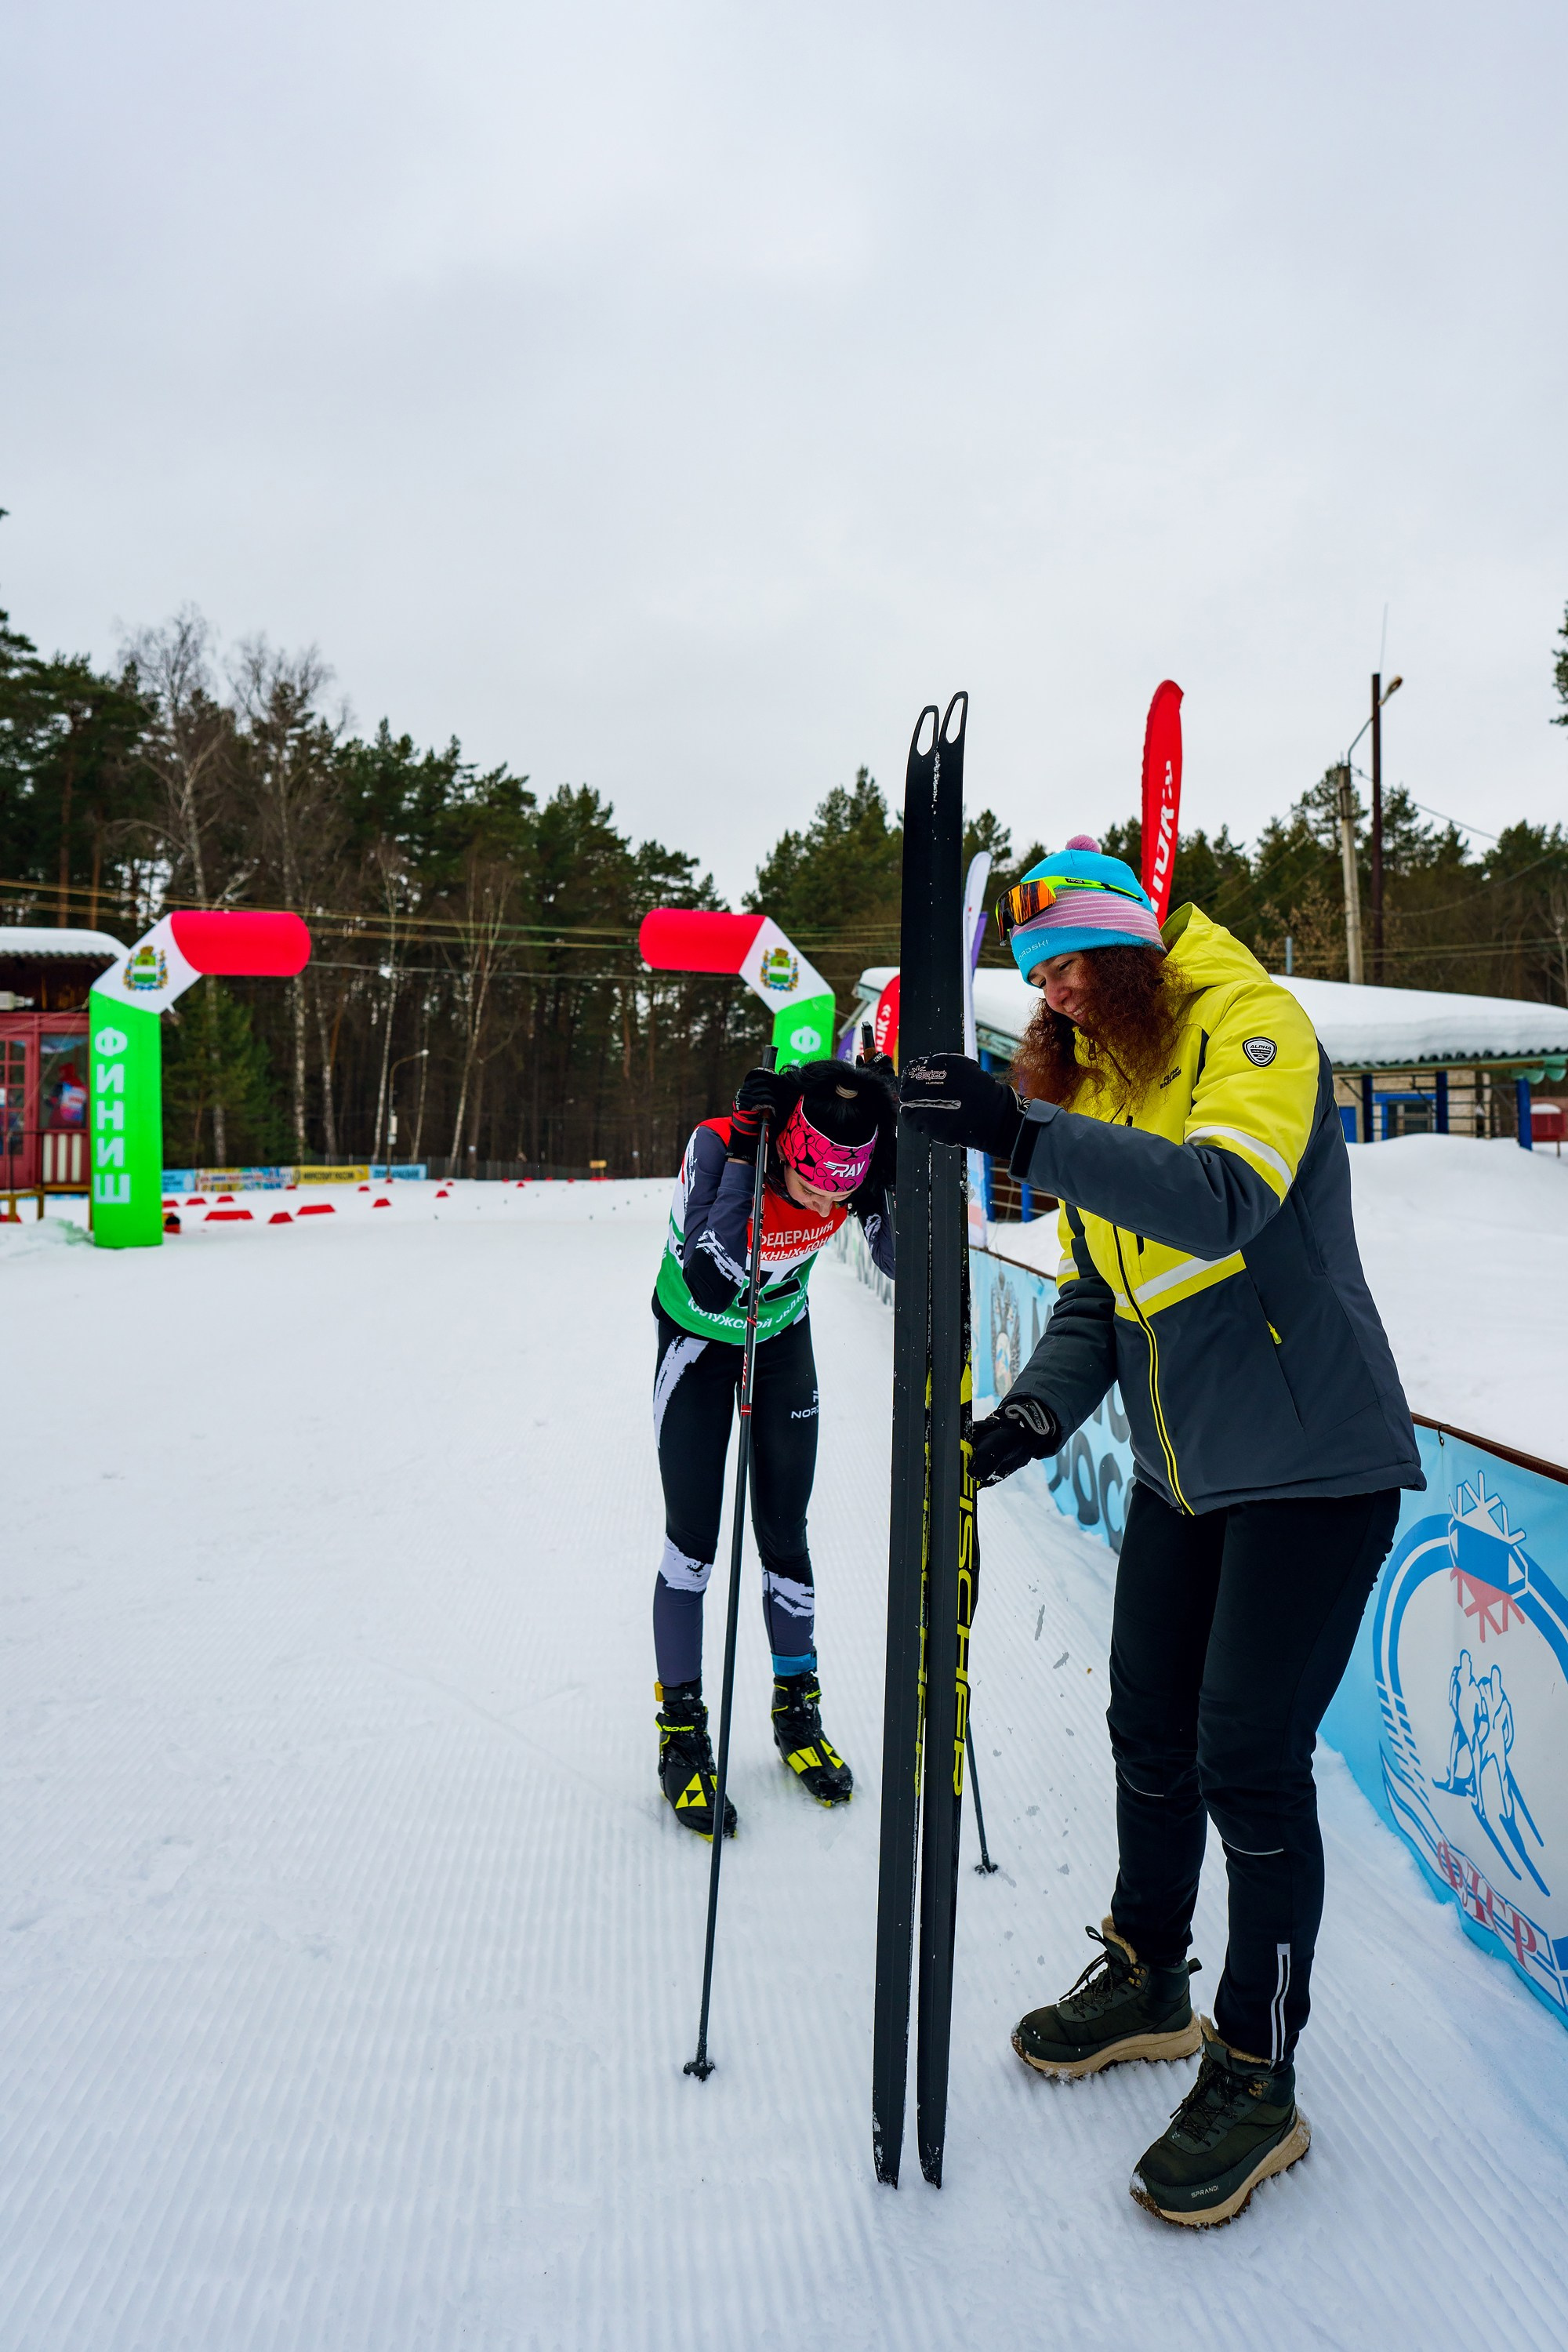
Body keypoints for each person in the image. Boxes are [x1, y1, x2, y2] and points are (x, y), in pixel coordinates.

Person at [900, 835, 1422, 2229]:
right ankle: (1152, 1973)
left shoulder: (1253, 1027)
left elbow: (1225, 1201)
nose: (1057, 997)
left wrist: (1018, 1133)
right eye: (1036, 978)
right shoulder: (1109, 1073)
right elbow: (1098, 1301)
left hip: (1313, 1465)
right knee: (1149, 1726)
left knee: (1249, 1758)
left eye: (1073, 961)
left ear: (1136, 938)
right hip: (1185, 1473)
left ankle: (1259, 2068)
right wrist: (1021, 1426)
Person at [650, 1054, 897, 1840]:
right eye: (815, 1181)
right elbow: (712, 1279)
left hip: (782, 1339)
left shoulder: (849, 1171)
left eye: (844, 1187)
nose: (829, 1199)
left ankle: (796, 1709)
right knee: (692, 1544)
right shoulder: (717, 1146)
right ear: (788, 1145)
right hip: (696, 1340)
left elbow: (897, 1260)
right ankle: (682, 1738)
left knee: (784, 1535)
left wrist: (899, 1162)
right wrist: (745, 1149)